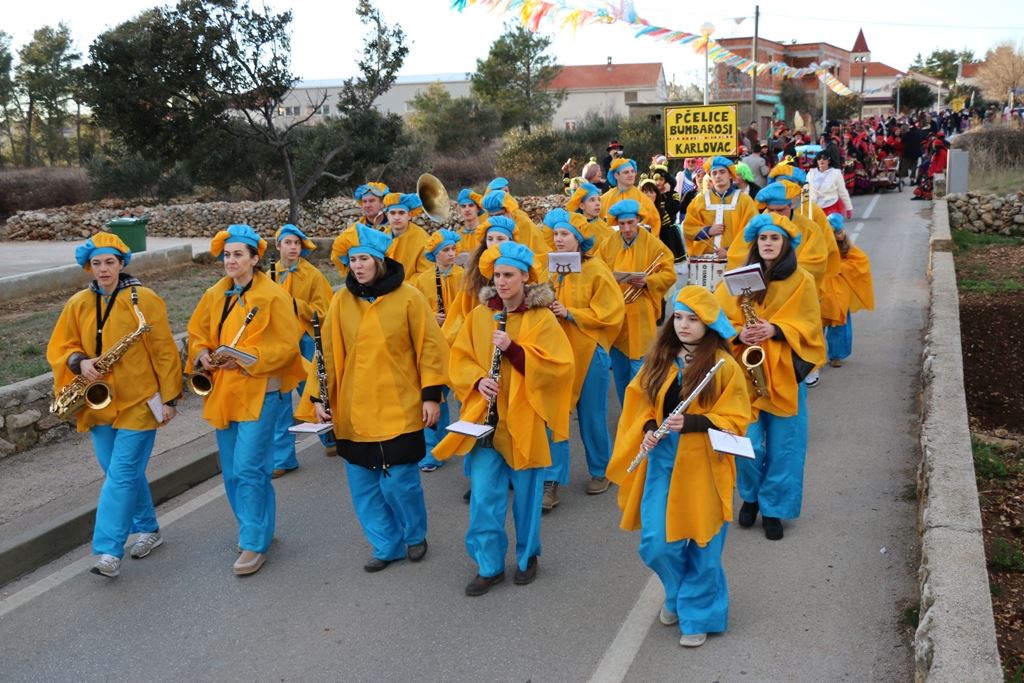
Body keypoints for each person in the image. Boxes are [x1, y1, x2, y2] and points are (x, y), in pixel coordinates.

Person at [606, 286, 752, 647]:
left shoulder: (724, 366)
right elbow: (638, 401)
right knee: (656, 543)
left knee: (703, 541)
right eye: (680, 317)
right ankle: (678, 593)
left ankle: (700, 613)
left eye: (693, 319)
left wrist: (696, 423)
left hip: (704, 462)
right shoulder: (659, 358)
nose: (684, 325)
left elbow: (737, 418)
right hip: (662, 461)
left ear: (709, 324)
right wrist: (648, 427)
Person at [298, 223, 449, 572]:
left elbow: (430, 347)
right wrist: (319, 398)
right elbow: (328, 355)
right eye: (352, 260)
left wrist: (431, 396)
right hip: (355, 409)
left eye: (364, 258)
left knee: (400, 482)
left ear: (379, 260)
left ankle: (414, 534)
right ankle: (386, 544)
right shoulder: (341, 301)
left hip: (401, 405)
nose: (358, 266)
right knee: (364, 487)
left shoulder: (409, 297)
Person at [432, 242, 574, 596]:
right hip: (485, 421)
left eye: (509, 275)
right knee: (483, 497)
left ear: (526, 277)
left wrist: (513, 349)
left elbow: (560, 368)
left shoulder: (541, 318)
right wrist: (478, 380)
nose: (502, 282)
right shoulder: (481, 316)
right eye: (497, 275)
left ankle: (528, 557)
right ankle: (488, 564)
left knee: (527, 497)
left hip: (524, 421)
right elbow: (460, 359)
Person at [47, 233, 182, 579]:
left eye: (110, 262)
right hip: (98, 403)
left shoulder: (145, 299)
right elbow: (60, 347)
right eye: (97, 263)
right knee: (119, 474)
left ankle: (108, 551)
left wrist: (169, 398)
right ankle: (149, 529)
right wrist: (80, 362)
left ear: (122, 264)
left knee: (120, 476)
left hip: (140, 401)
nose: (103, 269)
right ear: (88, 267)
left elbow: (165, 351)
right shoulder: (78, 303)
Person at [187, 224, 306, 575]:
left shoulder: (273, 296)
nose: (231, 260)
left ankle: (253, 542)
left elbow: (287, 346)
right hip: (224, 392)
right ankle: (258, 529)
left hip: (261, 392)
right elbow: (197, 334)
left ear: (255, 259)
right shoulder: (215, 294)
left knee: (249, 467)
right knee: (232, 472)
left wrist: (244, 354)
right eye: (227, 255)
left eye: (239, 254)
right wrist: (203, 354)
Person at [714, 213, 826, 541]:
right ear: (755, 242)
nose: (768, 243)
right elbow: (718, 319)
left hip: (784, 374)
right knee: (746, 442)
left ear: (786, 243)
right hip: (744, 374)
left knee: (785, 447)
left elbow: (810, 325)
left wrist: (776, 329)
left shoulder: (802, 279)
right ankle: (750, 496)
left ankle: (774, 508)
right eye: (763, 238)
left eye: (774, 238)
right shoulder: (737, 279)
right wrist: (738, 334)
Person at [540, 209, 625, 511]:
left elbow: (612, 312)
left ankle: (601, 471)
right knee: (556, 417)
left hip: (589, 352)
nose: (559, 239)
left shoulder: (596, 269)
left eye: (565, 235)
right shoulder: (548, 269)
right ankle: (551, 482)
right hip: (556, 354)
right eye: (557, 235)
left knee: (591, 416)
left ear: (578, 240)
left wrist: (572, 313)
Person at [596, 199, 676, 405]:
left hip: (641, 314)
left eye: (631, 223)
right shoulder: (608, 244)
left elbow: (669, 274)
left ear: (639, 220)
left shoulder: (653, 243)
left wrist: (648, 281)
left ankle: (642, 418)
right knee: (620, 373)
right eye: (622, 224)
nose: (627, 228)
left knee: (641, 373)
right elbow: (597, 271)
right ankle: (626, 418)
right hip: (617, 315)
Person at [269, 224, 334, 475]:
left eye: (297, 243)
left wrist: (295, 305)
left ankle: (330, 437)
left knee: (313, 392)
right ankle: (283, 459)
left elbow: (323, 311)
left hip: (306, 341)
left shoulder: (314, 275)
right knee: (280, 399)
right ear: (278, 246)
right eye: (288, 243)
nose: (293, 247)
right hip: (279, 344)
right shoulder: (267, 275)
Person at [413, 229, 465, 472]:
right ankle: (433, 450)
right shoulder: (422, 281)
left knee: (465, 395)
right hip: (434, 344)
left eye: (453, 249)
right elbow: (415, 312)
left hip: (458, 343)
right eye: (445, 250)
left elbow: (467, 307)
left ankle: (465, 441)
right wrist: (432, 317)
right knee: (436, 396)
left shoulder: (463, 276)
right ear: (434, 254)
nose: (451, 254)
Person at [819, 214, 874, 367]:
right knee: (817, 325)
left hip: (839, 291)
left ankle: (836, 355)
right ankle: (815, 356)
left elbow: (860, 262)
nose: (840, 234)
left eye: (841, 231)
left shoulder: (847, 248)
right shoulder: (819, 245)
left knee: (839, 324)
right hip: (821, 289)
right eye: (836, 232)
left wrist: (839, 267)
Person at [682, 156, 758, 258]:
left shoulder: (745, 201)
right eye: (714, 173)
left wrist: (730, 251)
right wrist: (708, 231)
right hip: (705, 260)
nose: (718, 176)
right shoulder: (699, 201)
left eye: (722, 172)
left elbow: (751, 229)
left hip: (735, 258)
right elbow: (688, 228)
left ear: (730, 175)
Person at [599, 157, 661, 231]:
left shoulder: (644, 199)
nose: (631, 175)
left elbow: (655, 224)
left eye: (632, 171)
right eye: (626, 172)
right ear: (616, 175)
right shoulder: (604, 199)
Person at [383, 192, 432, 279]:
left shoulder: (422, 238)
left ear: (409, 215)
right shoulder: (382, 235)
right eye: (392, 213)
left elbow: (425, 275)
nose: (396, 217)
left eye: (401, 213)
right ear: (387, 215)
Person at [640, 176, 686, 263]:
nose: (648, 194)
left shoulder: (661, 211)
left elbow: (673, 210)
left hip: (662, 243)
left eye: (651, 191)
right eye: (645, 191)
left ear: (656, 194)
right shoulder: (636, 210)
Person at [565, 181, 613, 251]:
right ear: (582, 206)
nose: (597, 203)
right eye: (592, 200)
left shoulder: (605, 227)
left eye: (599, 200)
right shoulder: (575, 228)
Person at [807, 152, 853, 219]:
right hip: (815, 207)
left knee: (832, 228)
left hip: (831, 206)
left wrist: (848, 208)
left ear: (829, 161)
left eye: (824, 158)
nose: (821, 160)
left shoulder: (836, 173)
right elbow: (806, 191)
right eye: (819, 158)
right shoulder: (811, 173)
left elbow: (842, 191)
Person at [456, 188, 484, 260]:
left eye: (471, 205)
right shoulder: (457, 236)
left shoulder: (485, 234)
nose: (467, 209)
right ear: (459, 210)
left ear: (478, 209)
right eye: (463, 206)